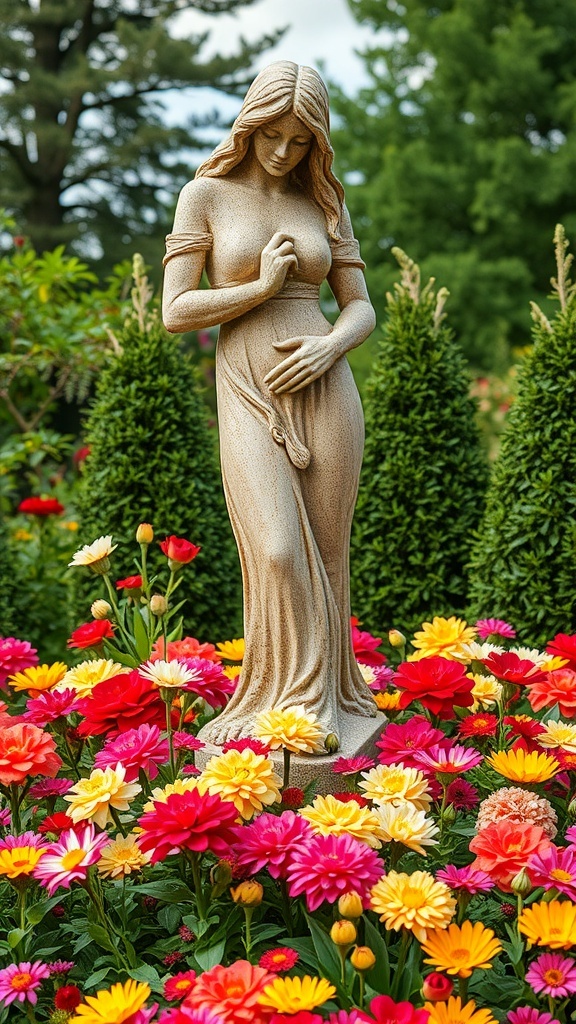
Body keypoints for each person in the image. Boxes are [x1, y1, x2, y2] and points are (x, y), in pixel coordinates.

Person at [162, 60, 376, 749]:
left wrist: (330, 347)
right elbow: (176, 311)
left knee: (328, 552)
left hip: (326, 386)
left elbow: (361, 308)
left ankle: (329, 705)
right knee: (281, 550)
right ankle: (281, 702)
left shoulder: (324, 203)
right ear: (249, 124)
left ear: (318, 142)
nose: (284, 152)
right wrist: (260, 287)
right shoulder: (205, 196)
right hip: (249, 389)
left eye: (301, 140)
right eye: (273, 135)